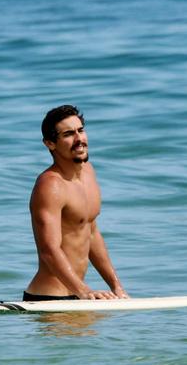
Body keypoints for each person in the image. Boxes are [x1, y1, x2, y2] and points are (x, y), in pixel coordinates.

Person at [24, 105, 129, 302]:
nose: (79, 139)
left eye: (81, 130)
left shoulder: (88, 172)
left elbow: (91, 233)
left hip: (79, 295)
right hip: (51, 299)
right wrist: (83, 291)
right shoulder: (50, 185)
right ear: (50, 143)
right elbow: (49, 250)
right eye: (69, 134)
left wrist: (116, 286)